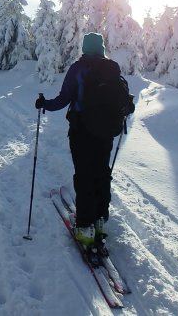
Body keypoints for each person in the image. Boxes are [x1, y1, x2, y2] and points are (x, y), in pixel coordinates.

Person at [35, 32, 119, 247]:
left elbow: (64, 99)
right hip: (106, 133)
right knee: (101, 174)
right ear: (100, 48)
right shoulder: (112, 69)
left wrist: (44, 104)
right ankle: (99, 220)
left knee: (84, 176)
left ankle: (84, 227)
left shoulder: (78, 68)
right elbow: (124, 102)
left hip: (82, 131)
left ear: (84, 47)